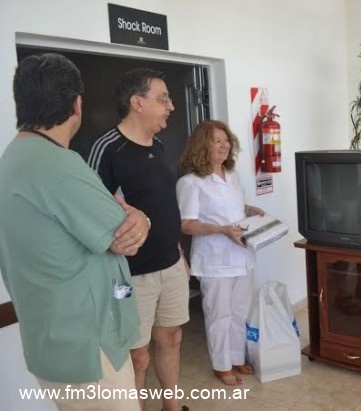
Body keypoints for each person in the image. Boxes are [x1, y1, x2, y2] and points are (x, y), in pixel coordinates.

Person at [0, 53, 150, 410]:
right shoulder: (59, 166)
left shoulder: (12, 160)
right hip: (89, 349)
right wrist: (143, 218)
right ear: (77, 104)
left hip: (49, 341)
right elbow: (126, 238)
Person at [87, 69, 189, 411]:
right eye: (164, 99)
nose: (171, 106)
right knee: (137, 355)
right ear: (137, 102)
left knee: (171, 338)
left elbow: (164, 206)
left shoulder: (158, 146)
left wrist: (179, 252)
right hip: (128, 276)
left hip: (170, 265)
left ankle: (171, 407)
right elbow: (88, 215)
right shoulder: (106, 149)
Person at [175, 120, 264, 386]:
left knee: (240, 312)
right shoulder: (190, 182)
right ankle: (222, 365)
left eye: (227, 141)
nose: (224, 146)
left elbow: (234, 206)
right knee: (219, 315)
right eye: (217, 141)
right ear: (202, 146)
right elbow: (187, 224)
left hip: (242, 256)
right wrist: (222, 230)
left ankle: (237, 358)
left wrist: (249, 210)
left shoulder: (232, 175)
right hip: (215, 260)